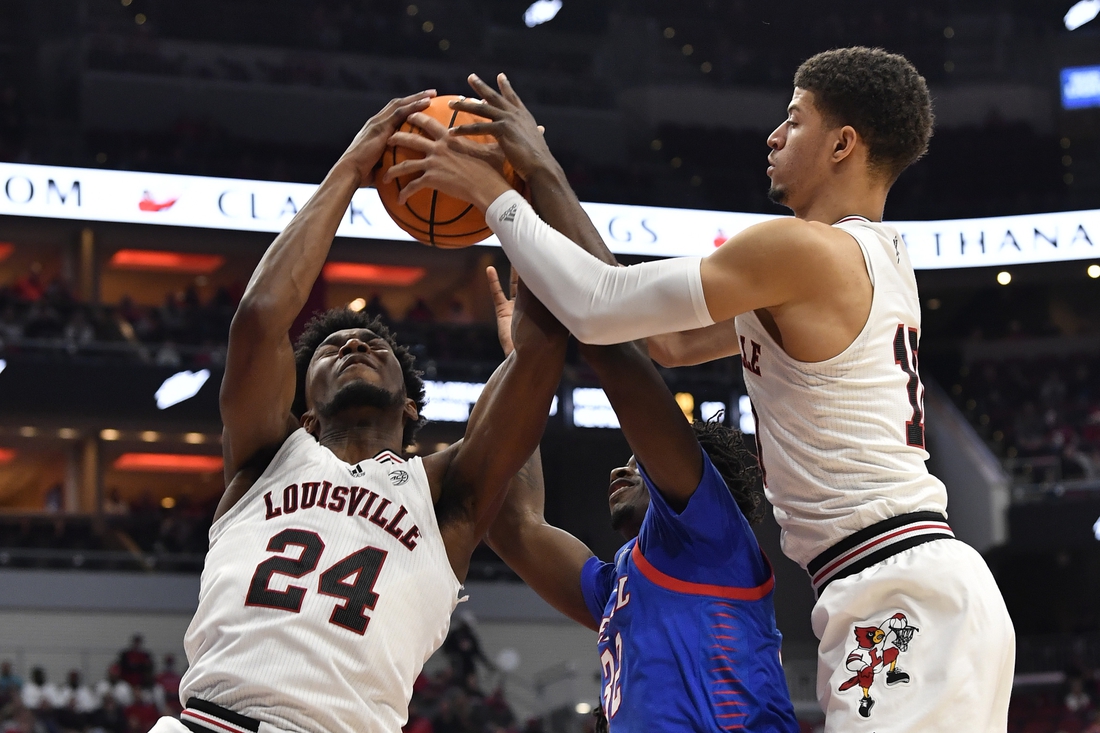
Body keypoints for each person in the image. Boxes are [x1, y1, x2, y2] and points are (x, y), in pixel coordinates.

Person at [387, 48, 1015, 731]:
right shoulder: (853, 262)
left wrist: (498, 192)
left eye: (794, 120)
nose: (774, 136)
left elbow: (599, 304)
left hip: (902, 589)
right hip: (892, 585)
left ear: (842, 144)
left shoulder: (806, 252)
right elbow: (662, 342)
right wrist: (539, 176)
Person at [148, 91, 566, 733]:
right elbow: (260, 321)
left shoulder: (445, 492)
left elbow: (538, 364)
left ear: (410, 402)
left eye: (374, 343)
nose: (353, 341)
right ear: (303, 409)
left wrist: (525, 183)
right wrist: (350, 168)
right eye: (328, 349)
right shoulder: (270, 456)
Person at [483, 268, 797, 732]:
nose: (620, 471)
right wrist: (522, 367)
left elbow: (626, 376)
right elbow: (515, 525)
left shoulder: (712, 534)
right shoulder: (621, 588)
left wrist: (578, 289)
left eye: (638, 466)